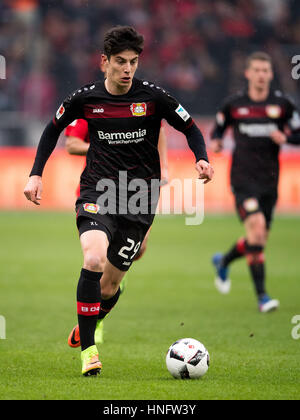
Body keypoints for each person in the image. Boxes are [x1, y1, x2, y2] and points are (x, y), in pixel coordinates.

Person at [24, 26, 213, 376]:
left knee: (109, 285)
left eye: (134, 62)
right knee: (93, 258)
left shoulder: (153, 97)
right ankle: (90, 350)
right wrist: (36, 173)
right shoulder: (85, 98)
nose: (128, 69)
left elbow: (189, 127)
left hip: (140, 199)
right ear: (104, 62)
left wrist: (200, 156)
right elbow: (52, 129)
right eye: (121, 62)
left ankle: (88, 321)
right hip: (98, 191)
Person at [64, 118, 169, 346]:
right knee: (95, 259)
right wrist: (109, 149)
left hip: (137, 193)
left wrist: (165, 167)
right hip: (99, 192)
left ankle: (99, 312)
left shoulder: (143, 103)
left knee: (134, 254)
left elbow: (158, 128)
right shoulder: (92, 105)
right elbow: (71, 144)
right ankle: (93, 330)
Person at [210, 51, 300, 312]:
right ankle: (262, 297)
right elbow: (218, 128)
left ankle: (224, 261)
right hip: (242, 179)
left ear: (271, 75)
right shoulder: (234, 104)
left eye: (265, 71)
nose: (261, 75)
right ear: (248, 74)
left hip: (269, 181)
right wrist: (216, 142)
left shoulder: (282, 105)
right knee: (257, 230)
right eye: (256, 70)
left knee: (257, 239)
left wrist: (287, 139)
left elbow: (298, 132)